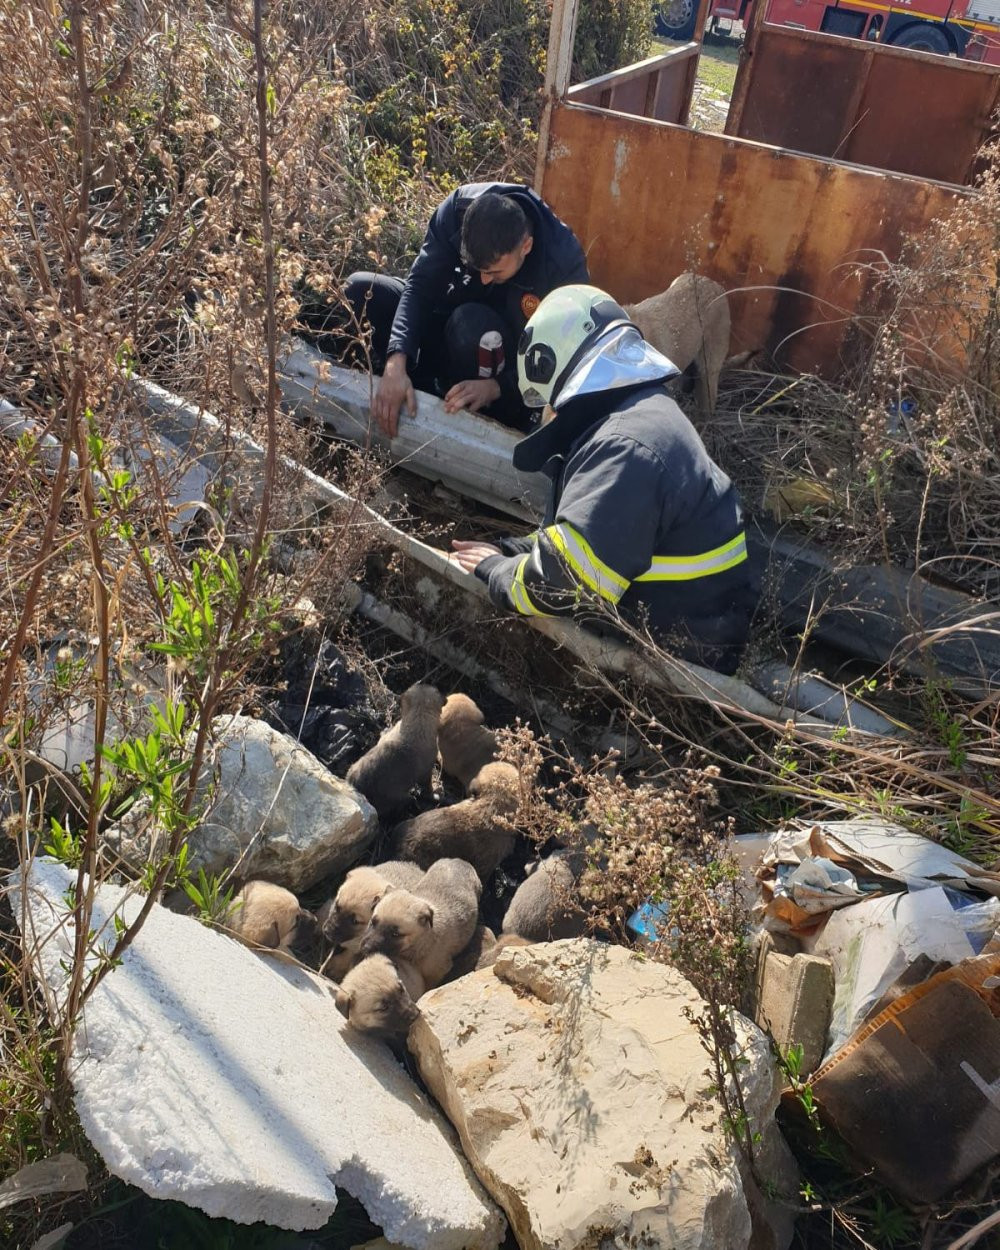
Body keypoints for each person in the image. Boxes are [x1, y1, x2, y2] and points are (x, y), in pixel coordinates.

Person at [449, 284, 758, 675]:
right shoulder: (638, 415)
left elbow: (563, 586)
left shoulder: (625, 449)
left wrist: (496, 571)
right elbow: (582, 537)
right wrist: (511, 549)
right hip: (690, 623)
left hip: (681, 659)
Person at [299, 183, 588, 437]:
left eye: (494, 271)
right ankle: (404, 384)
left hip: (497, 360)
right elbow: (420, 287)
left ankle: (469, 413)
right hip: (442, 327)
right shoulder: (457, 210)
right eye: (478, 269)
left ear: (526, 246)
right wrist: (395, 362)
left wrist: (499, 386)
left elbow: (566, 349)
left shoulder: (562, 260)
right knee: (360, 291)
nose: (485, 279)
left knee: (472, 325)